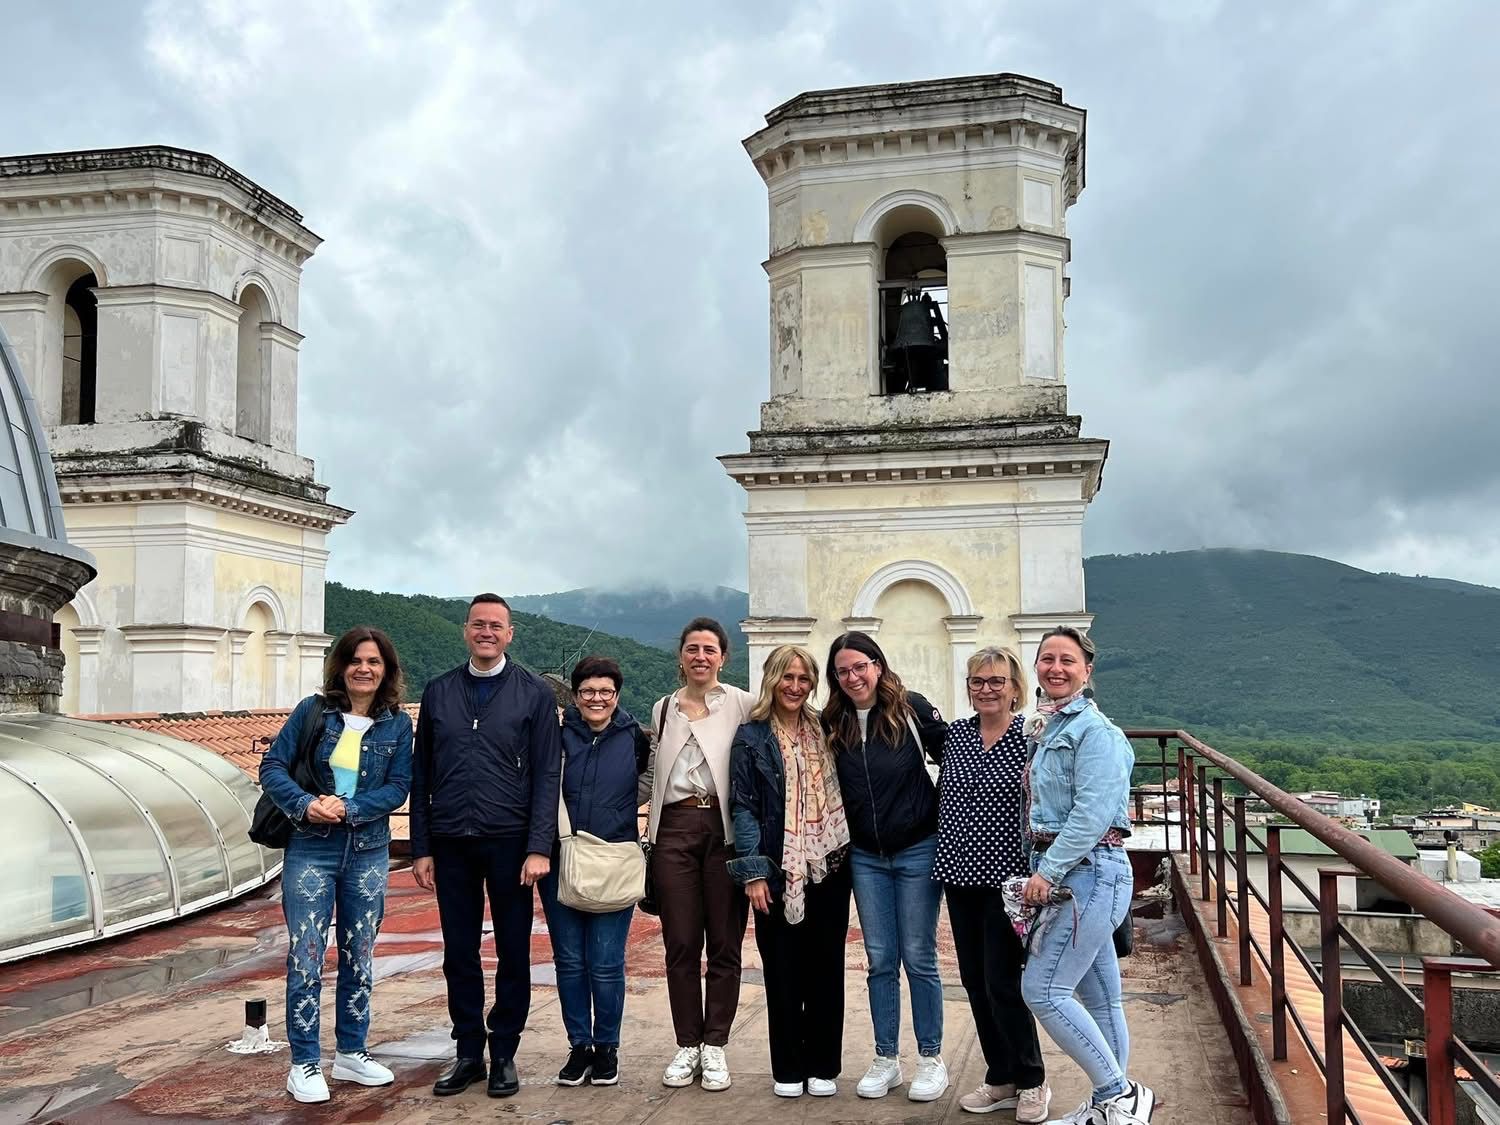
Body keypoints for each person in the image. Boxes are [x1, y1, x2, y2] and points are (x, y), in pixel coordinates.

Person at [409, 594, 562, 1099]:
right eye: (479, 624)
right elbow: (422, 772)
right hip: (452, 841)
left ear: (511, 634)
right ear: (466, 630)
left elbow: (546, 773)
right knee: (460, 952)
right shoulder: (439, 691)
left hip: (512, 843)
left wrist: (539, 846)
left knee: (514, 951)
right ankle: (469, 1051)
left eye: (497, 626)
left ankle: (504, 1054)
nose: (487, 632)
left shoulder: (534, 694)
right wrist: (421, 845)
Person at [259, 627, 413, 1105]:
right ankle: (304, 1062)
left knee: (359, 953)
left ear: (386, 670)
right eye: (355, 660)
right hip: (311, 846)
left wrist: (352, 809)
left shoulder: (397, 724)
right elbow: (273, 768)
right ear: (341, 666)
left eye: (373, 662)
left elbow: (399, 785)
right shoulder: (313, 712)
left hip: (367, 850)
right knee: (306, 954)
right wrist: (307, 805)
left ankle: (351, 1050)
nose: (363, 669)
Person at [1020, 626, 1154, 1125]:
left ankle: (1120, 1093)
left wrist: (1048, 872)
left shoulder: (1096, 733)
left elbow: (1092, 814)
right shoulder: (1049, 728)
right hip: (1076, 874)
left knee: (1044, 990)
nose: (1056, 668)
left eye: (1067, 660)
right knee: (1100, 997)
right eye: (1047, 658)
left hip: (1088, 874)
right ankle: (1110, 1112)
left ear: (1086, 671)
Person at [823, 631, 949, 1103]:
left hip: (918, 847)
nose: (853, 676)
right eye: (842, 671)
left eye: (860, 666)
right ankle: (886, 1057)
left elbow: (957, 758)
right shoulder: (833, 720)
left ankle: (932, 1058)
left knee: (918, 956)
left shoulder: (910, 709)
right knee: (879, 959)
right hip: (865, 856)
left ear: (878, 664)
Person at [728, 645, 853, 1099]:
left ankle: (823, 1064)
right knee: (782, 972)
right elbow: (742, 807)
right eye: (788, 677)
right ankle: (787, 1066)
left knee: (826, 968)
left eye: (804, 679)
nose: (796, 686)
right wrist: (754, 872)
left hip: (831, 864)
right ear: (773, 679)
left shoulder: (827, 728)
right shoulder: (751, 737)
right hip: (777, 869)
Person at [638, 616, 754, 1092]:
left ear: (723, 657)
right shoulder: (663, 709)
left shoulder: (743, 704)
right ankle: (687, 1043)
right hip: (674, 828)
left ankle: (715, 1045)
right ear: (680, 656)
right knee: (681, 942)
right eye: (692, 648)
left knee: (725, 943)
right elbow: (649, 774)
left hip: (725, 830)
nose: (700, 656)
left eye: (709, 649)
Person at [935, 647, 1050, 1120]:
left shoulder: (1030, 738)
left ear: (1015, 687)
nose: (986, 689)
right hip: (959, 876)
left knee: (1004, 981)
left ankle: (1032, 1079)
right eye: (978, 681)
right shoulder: (957, 736)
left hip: (1007, 881)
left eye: (996, 681)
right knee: (974, 981)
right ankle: (999, 1075)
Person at [539, 655, 652, 1088]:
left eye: (605, 691)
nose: (597, 699)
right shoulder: (556, 735)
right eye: (588, 691)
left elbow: (651, 782)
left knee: (605, 963)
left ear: (617, 695)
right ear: (576, 694)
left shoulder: (635, 737)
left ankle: (607, 1048)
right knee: (569, 961)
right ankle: (578, 1046)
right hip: (562, 860)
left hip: (613, 859)